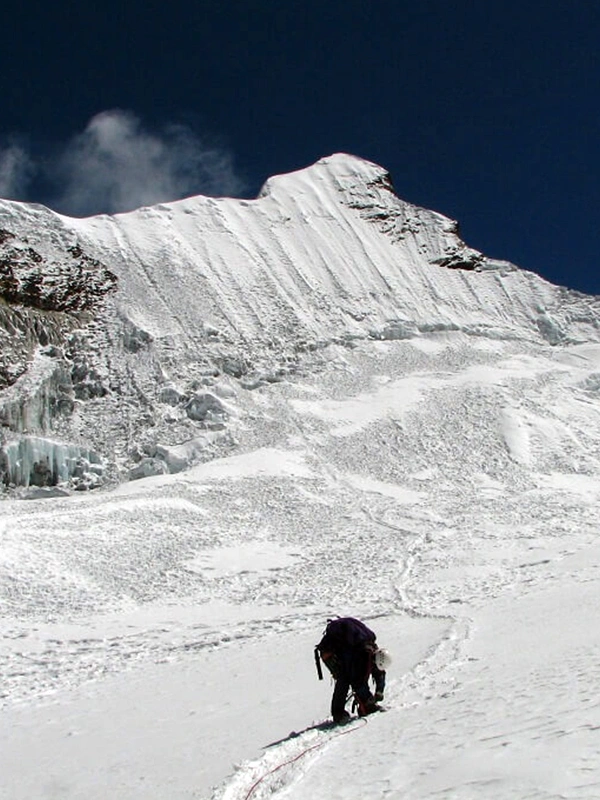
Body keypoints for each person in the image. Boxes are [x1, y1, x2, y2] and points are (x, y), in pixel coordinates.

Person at [315, 616, 389, 723]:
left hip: (345, 649)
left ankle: (343, 712)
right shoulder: (362, 657)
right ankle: (338, 713)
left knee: (348, 675)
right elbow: (358, 682)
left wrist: (379, 691)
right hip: (332, 652)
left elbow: (379, 672)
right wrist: (368, 701)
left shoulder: (372, 650)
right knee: (344, 678)